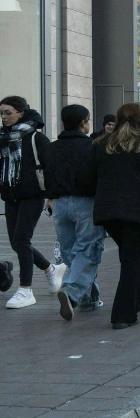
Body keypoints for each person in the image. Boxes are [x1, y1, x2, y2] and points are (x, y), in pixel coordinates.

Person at [76, 102, 140, 330]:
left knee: (132, 255)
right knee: (135, 260)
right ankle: (123, 315)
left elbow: (85, 179)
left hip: (110, 213)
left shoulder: (102, 146)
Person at [1, 96, 65, 309]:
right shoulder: (4, 137)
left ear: (21, 112)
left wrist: (52, 196)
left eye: (8, 112)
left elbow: (51, 167)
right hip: (10, 196)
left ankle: (26, 290)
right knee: (17, 243)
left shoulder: (36, 138)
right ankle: (50, 270)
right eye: (1, 113)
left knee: (21, 240)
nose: (4, 117)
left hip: (32, 195)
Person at [46, 104, 106, 319]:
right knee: (88, 249)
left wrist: (51, 198)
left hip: (60, 204)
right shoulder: (93, 146)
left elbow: (47, 177)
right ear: (83, 123)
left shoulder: (51, 148)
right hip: (86, 203)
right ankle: (71, 293)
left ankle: (88, 297)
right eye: (88, 120)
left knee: (70, 251)